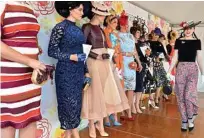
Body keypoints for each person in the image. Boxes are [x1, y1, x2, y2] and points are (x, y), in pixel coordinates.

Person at [81, 2, 128, 137]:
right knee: (94, 94)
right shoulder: (86, 27)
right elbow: (82, 47)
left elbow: (103, 46)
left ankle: (100, 125)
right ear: (96, 13)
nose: (104, 17)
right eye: (102, 14)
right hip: (93, 63)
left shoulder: (101, 29)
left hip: (104, 63)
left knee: (103, 93)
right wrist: (95, 55)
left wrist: (107, 55)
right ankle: (92, 126)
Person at [0, 1, 46, 138]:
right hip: (10, 78)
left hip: (31, 77)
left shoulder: (29, 7)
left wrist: (34, 48)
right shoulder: (3, 4)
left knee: (31, 118)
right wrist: (29, 60)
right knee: (8, 120)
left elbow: (30, 37)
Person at [48, 2, 90, 138]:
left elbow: (81, 53)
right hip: (65, 73)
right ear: (71, 10)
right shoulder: (60, 27)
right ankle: (75, 135)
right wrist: (71, 56)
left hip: (78, 73)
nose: (82, 13)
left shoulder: (78, 29)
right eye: (80, 9)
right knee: (68, 107)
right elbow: (52, 51)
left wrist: (86, 71)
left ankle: (67, 135)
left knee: (75, 107)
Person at [168, 20, 204, 132]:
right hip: (181, 69)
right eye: (186, 28)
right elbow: (175, 57)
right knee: (180, 96)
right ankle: (184, 120)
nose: (188, 30)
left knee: (189, 95)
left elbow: (199, 58)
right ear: (184, 30)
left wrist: (203, 73)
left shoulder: (197, 41)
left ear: (193, 29)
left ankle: (190, 117)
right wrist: (169, 71)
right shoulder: (179, 41)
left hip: (193, 70)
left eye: (190, 28)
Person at [103, 12, 129, 127]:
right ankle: (107, 117)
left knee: (118, 90)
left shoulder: (116, 34)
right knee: (109, 90)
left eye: (116, 23)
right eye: (114, 22)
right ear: (108, 22)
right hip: (108, 62)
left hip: (118, 62)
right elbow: (107, 46)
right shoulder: (105, 32)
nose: (115, 24)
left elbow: (118, 48)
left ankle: (115, 116)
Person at [118, 11, 143, 120]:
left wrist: (139, 62)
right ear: (121, 24)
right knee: (123, 88)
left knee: (131, 89)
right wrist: (128, 54)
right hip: (122, 63)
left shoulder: (131, 36)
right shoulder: (117, 35)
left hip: (131, 64)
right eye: (125, 24)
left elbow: (135, 51)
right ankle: (123, 112)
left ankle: (128, 112)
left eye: (127, 24)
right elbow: (116, 52)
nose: (127, 26)